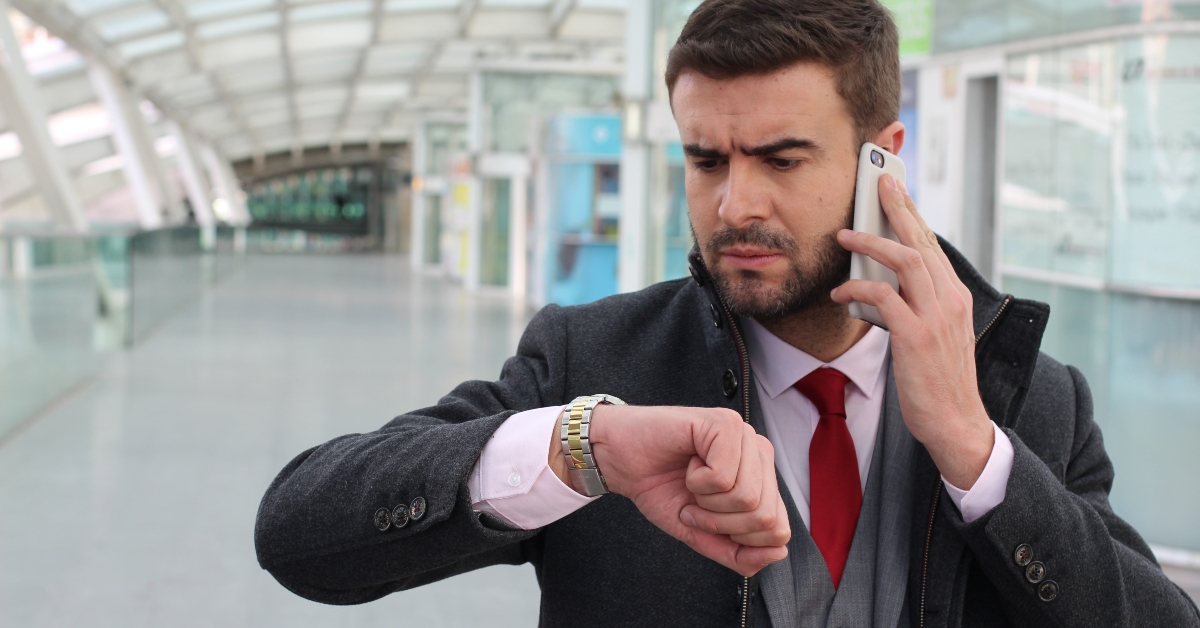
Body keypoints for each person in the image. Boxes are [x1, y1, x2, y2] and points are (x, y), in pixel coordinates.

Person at [253, 1, 1200, 626]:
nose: (735, 205)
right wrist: (581, 449)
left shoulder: (1034, 398)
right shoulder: (595, 360)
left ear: (884, 160)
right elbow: (302, 536)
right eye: (707, 161)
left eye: (782, 160)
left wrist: (977, 452)